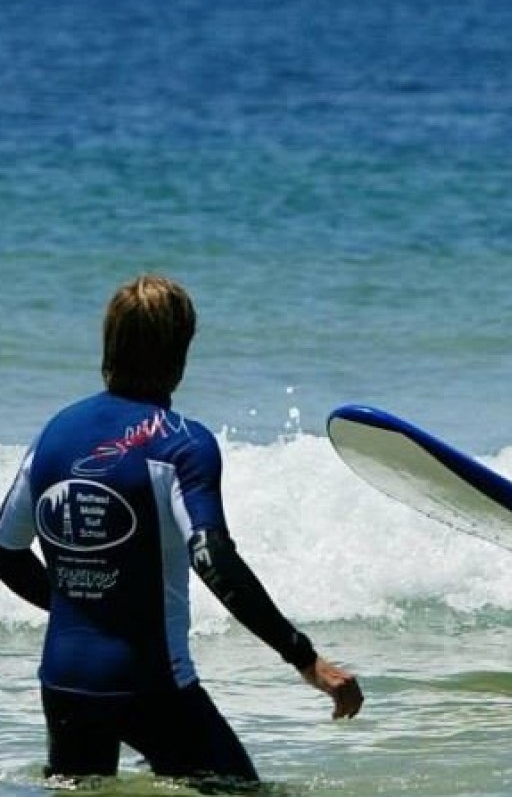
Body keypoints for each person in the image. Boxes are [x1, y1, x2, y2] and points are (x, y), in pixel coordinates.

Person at [0, 274, 363, 788]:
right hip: (150, 682)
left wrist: (76, 605)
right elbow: (213, 559)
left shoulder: (54, 433)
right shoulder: (181, 445)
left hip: (65, 681)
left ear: (110, 343)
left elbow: (5, 550)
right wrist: (307, 660)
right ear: (180, 351)